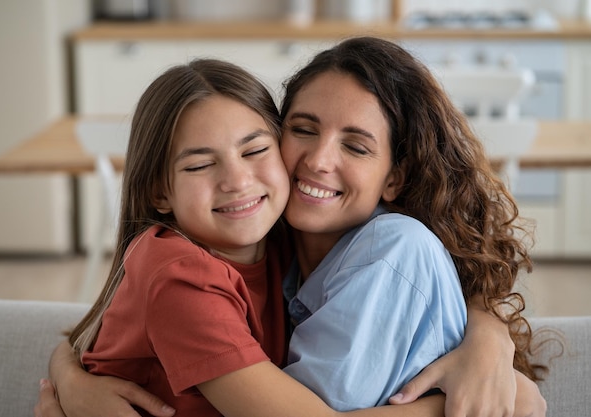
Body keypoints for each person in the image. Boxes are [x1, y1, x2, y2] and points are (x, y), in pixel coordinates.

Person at [36, 39, 546, 417]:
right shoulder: (206, 256)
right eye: (302, 130)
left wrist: (489, 342)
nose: (318, 161)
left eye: (356, 144)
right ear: (160, 191)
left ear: (396, 177)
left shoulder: (273, 245)